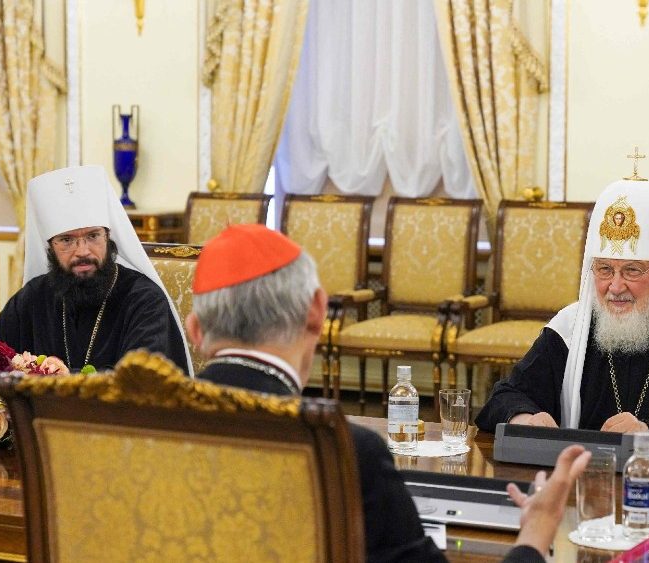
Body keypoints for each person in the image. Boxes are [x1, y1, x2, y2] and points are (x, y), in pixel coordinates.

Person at [184, 224, 591, 563]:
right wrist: (535, 533)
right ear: (316, 314)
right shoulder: (343, 449)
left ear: (195, 330)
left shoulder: (136, 433)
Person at [475, 179, 649, 453]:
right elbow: (502, 399)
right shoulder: (570, 329)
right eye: (604, 270)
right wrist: (526, 419)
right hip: (581, 488)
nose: (615, 287)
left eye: (632, 270)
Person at [0, 165, 191, 375]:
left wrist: (61, 379)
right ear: (50, 248)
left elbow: (140, 381)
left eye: (93, 236)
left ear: (108, 237)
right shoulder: (35, 295)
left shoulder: (144, 299)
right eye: (67, 240)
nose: (82, 251)